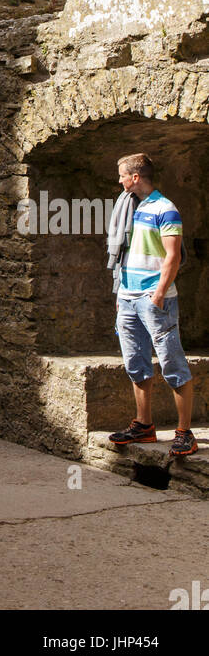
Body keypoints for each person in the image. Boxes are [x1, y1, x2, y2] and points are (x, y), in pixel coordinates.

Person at [108, 153, 198, 456]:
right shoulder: (129, 207)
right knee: (136, 363)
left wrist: (158, 293)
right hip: (129, 297)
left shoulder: (165, 209)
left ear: (136, 177)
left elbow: (173, 256)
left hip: (154, 299)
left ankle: (185, 433)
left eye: (122, 175)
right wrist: (121, 294)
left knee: (173, 364)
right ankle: (144, 426)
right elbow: (123, 253)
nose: (119, 180)